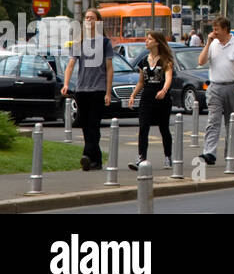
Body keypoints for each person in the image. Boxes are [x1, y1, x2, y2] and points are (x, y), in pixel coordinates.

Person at [60, 10, 114, 171]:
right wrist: (66, 83)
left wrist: (108, 92)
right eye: (86, 18)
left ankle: (87, 154)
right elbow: (70, 65)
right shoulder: (78, 43)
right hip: (82, 89)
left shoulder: (105, 43)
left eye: (92, 18)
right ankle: (95, 160)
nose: (89, 20)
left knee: (93, 124)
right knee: (85, 125)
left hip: (98, 89)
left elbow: (109, 69)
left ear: (98, 22)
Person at [197, 16, 234, 166]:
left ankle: (231, 155)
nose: (214, 32)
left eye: (216, 29)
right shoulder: (212, 44)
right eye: (213, 30)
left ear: (225, 29)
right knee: (213, 120)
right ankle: (210, 153)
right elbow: (201, 61)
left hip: (233, 86)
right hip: (215, 87)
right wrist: (207, 43)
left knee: (231, 122)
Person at [127, 31, 174, 170]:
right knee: (143, 127)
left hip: (161, 97)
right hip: (147, 97)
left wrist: (164, 90)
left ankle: (168, 157)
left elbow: (169, 78)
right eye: (146, 39)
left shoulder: (166, 60)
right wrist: (133, 95)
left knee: (164, 128)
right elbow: (141, 81)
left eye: (149, 39)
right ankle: (141, 157)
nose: (146, 41)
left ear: (157, 42)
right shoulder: (143, 61)